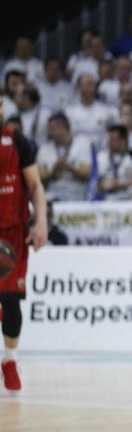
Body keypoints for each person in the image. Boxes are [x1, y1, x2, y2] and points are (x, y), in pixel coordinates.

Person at [0, 99, 48, 392]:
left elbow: (35, 187)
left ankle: (10, 360)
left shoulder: (18, 142)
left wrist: (41, 221)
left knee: (10, 299)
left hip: (13, 234)